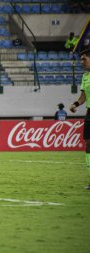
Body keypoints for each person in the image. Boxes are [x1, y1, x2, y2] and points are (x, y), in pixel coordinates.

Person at [69, 48, 90, 190]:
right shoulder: (85, 76)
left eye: (85, 59)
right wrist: (75, 104)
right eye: (81, 59)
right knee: (88, 143)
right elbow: (83, 97)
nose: (82, 62)